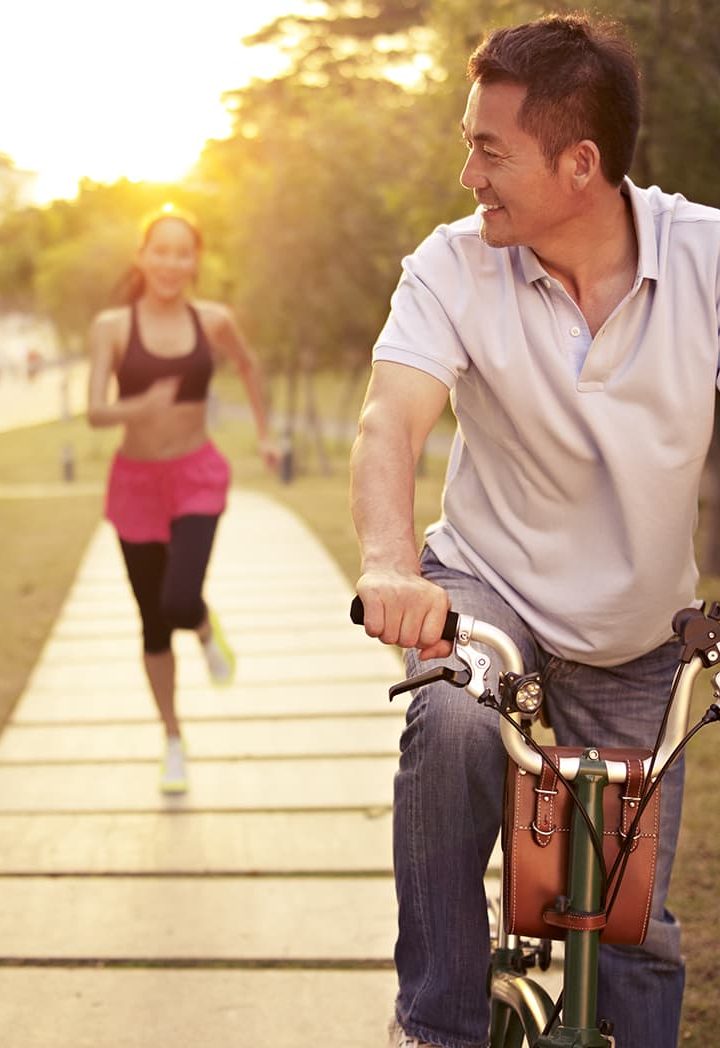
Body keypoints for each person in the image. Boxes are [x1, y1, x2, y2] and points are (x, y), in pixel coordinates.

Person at [351, 13, 720, 1048]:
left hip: (640, 627)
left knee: (633, 927)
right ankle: (437, 1026)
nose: (465, 172)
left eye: (488, 148)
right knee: (454, 723)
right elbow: (391, 419)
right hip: (488, 589)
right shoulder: (454, 265)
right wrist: (390, 565)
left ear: (580, 163)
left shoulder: (706, 260)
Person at [88, 204, 278, 794]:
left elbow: (249, 366)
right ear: (141, 257)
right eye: (160, 251)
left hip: (195, 475)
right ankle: (173, 739)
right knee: (152, 622)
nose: (171, 262)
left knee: (177, 598)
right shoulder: (112, 328)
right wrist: (136, 408)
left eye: (183, 252)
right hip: (136, 485)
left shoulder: (214, 320)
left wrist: (266, 431)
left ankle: (199, 622)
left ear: (195, 261)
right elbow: (95, 410)